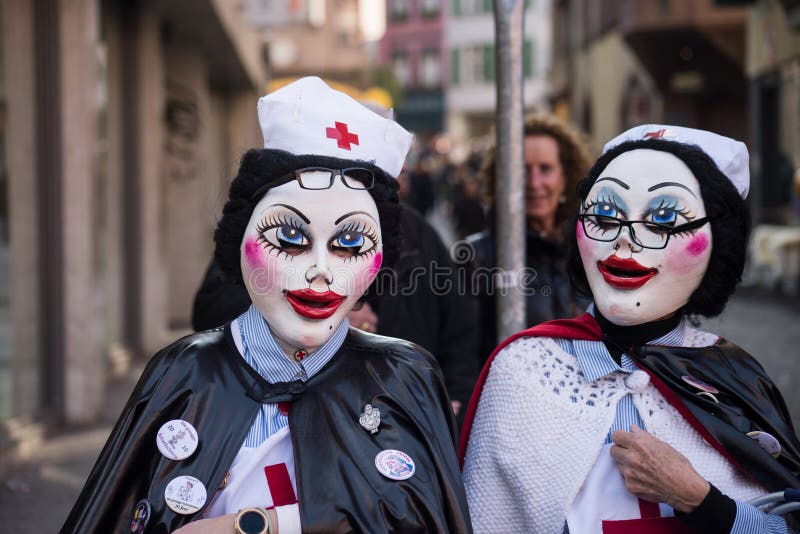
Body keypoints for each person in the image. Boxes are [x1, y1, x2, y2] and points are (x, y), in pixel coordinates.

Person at [62, 77, 471, 533]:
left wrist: (261, 526)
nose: (321, 270)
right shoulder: (185, 372)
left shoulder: (404, 376)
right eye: (291, 239)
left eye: (350, 244)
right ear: (241, 240)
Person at [460, 125, 800, 532]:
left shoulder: (737, 382)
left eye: (664, 219)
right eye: (605, 214)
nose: (625, 241)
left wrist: (699, 498)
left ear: (718, 243)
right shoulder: (524, 371)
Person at [468, 113, 593, 362]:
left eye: (545, 169)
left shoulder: (591, 249)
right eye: (522, 170)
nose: (534, 183)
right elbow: (465, 355)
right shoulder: (477, 257)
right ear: (502, 177)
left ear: (565, 177)